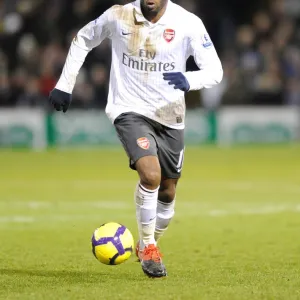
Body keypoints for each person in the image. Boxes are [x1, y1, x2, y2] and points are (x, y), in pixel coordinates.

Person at [49, 0, 223, 278]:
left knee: (168, 191)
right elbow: (83, 38)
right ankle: (150, 249)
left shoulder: (188, 23)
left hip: (170, 116)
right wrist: (64, 84)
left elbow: (215, 71)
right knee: (151, 176)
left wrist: (190, 80)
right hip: (128, 110)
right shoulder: (119, 15)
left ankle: (146, 241)